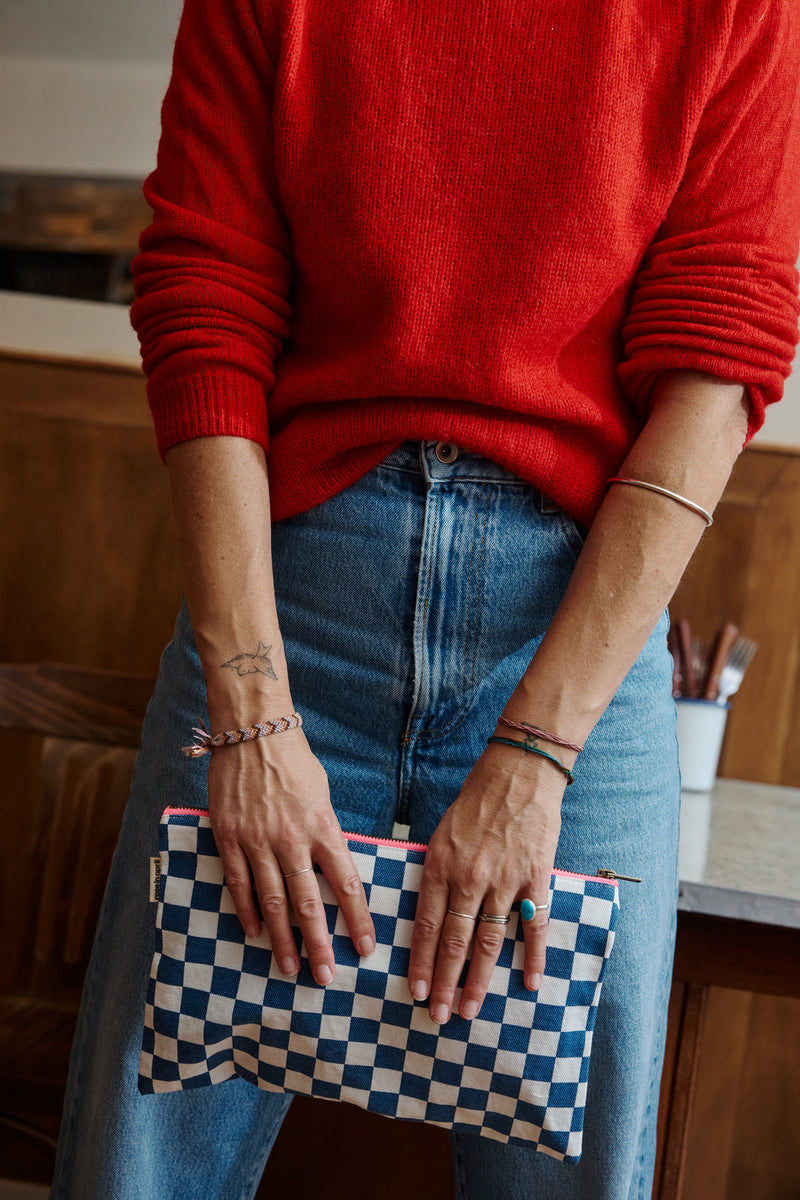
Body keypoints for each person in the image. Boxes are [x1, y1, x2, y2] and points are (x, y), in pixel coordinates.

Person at [51, 0, 800, 1196]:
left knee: (570, 1171)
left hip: (567, 628)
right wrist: (249, 714)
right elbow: (207, 305)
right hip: (287, 612)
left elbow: (718, 359)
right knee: (145, 1164)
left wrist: (538, 751)